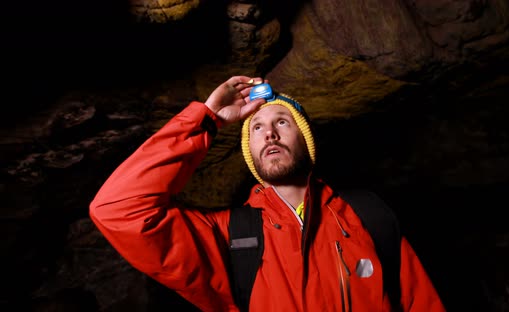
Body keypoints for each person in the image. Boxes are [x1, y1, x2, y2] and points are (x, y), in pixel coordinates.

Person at [89, 75, 446, 312]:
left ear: (305, 140)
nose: (269, 134)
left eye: (281, 122)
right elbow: (117, 209)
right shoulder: (228, 236)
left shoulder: (368, 215)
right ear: (250, 151)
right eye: (256, 127)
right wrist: (208, 118)